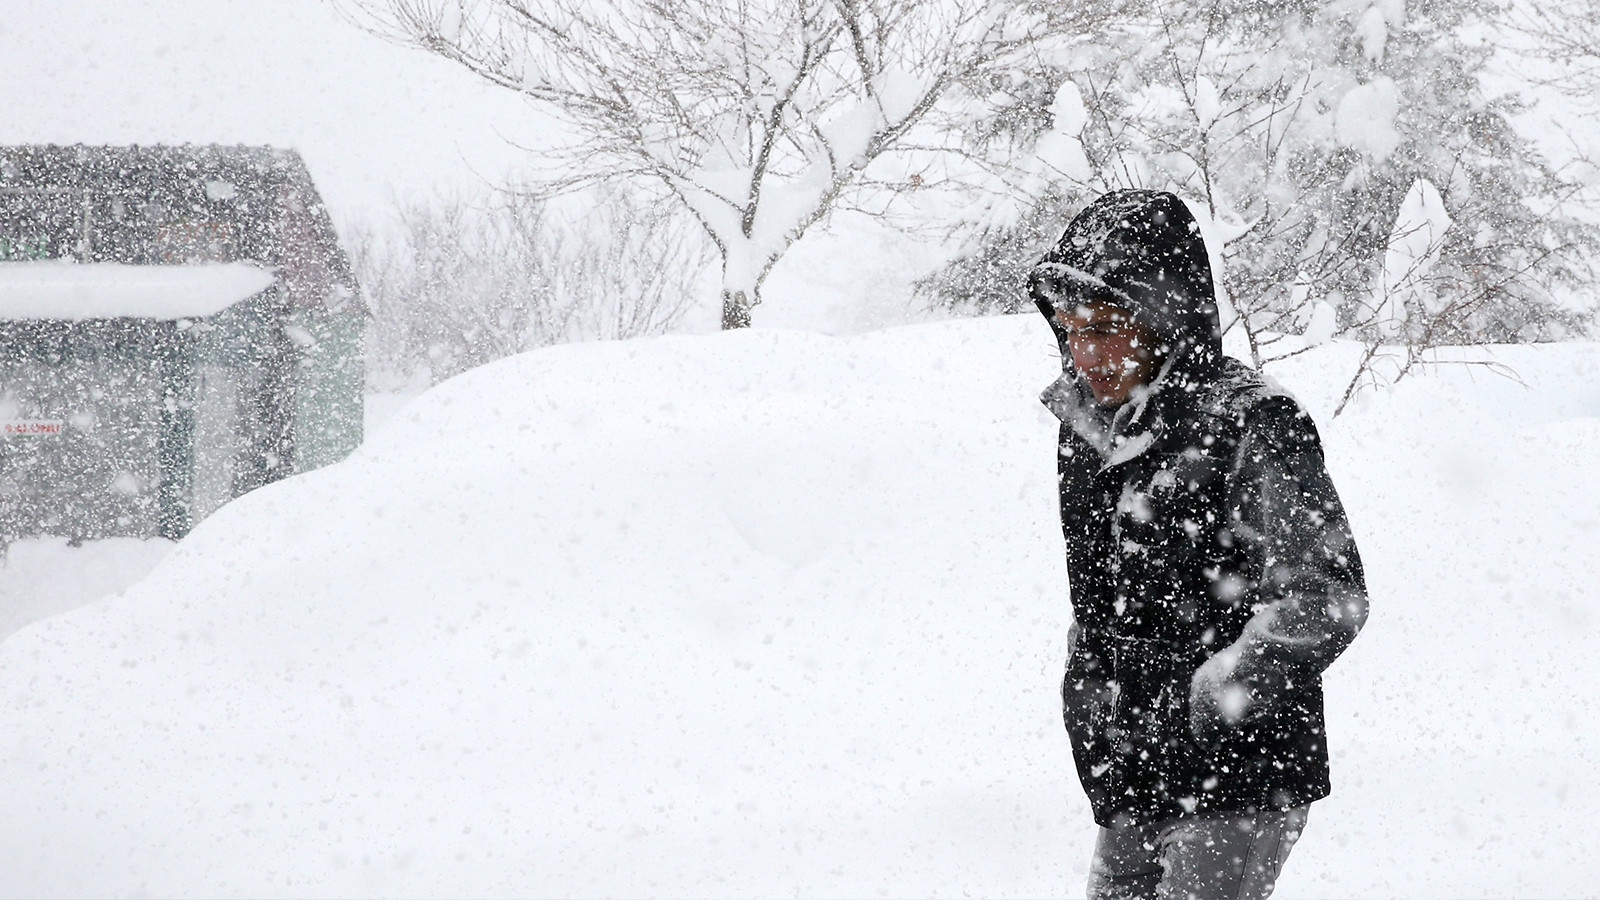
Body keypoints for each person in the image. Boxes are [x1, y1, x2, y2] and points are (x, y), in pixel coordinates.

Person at [1029, 189, 1370, 900]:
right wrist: (1091, 698)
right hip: (1134, 772)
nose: (1085, 353)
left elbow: (1323, 595)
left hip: (1237, 777)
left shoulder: (1250, 423)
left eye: (1106, 329)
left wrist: (1216, 695)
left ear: (1162, 318)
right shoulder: (1089, 429)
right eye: (1071, 330)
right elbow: (1097, 603)